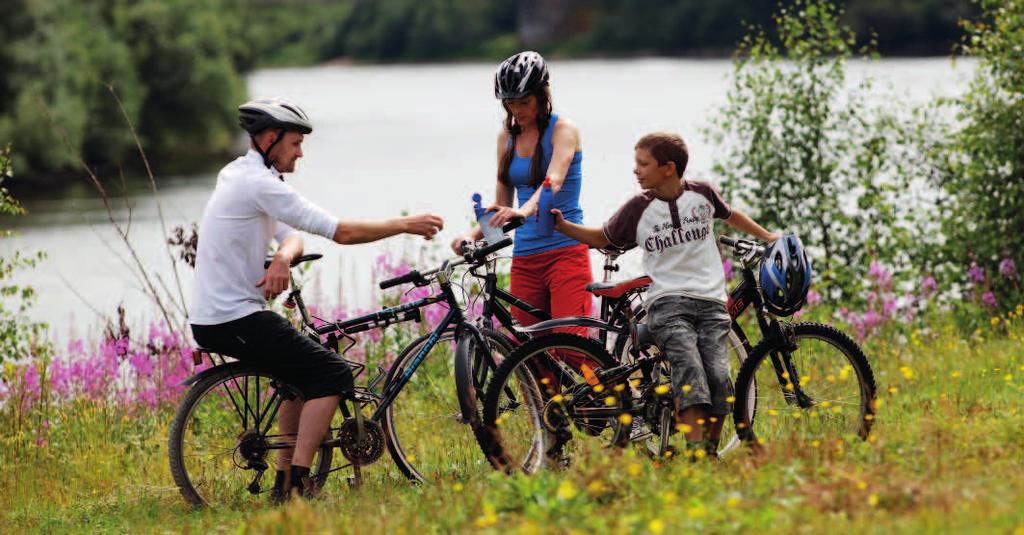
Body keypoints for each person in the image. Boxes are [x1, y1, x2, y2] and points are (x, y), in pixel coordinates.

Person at [190, 98, 443, 499]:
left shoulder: (242, 176)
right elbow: (339, 231)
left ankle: (284, 481)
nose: (301, 152)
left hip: (219, 316)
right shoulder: (258, 183)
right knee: (333, 375)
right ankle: (297, 483)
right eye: (295, 143)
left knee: (299, 380)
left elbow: (290, 236)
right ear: (270, 139)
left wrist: (283, 261)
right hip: (233, 318)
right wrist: (403, 225)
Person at [550, 132, 779, 458]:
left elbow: (729, 215)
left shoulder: (703, 194)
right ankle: (696, 453)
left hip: (713, 303)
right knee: (691, 375)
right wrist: (564, 227)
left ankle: (706, 456)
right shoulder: (637, 209)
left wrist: (767, 235)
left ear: (668, 168)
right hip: (668, 303)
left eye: (643, 164)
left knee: (719, 379)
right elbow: (603, 236)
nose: (636, 170)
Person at [451, 51, 593, 350]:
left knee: (570, 347)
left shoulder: (564, 130)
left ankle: (619, 396)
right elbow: (502, 202)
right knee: (531, 354)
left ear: (543, 94)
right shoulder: (507, 136)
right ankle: (549, 401)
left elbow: (552, 180)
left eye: (524, 101)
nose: (517, 110)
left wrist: (523, 211)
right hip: (526, 259)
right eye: (510, 103)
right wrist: (473, 236)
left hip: (565, 252)